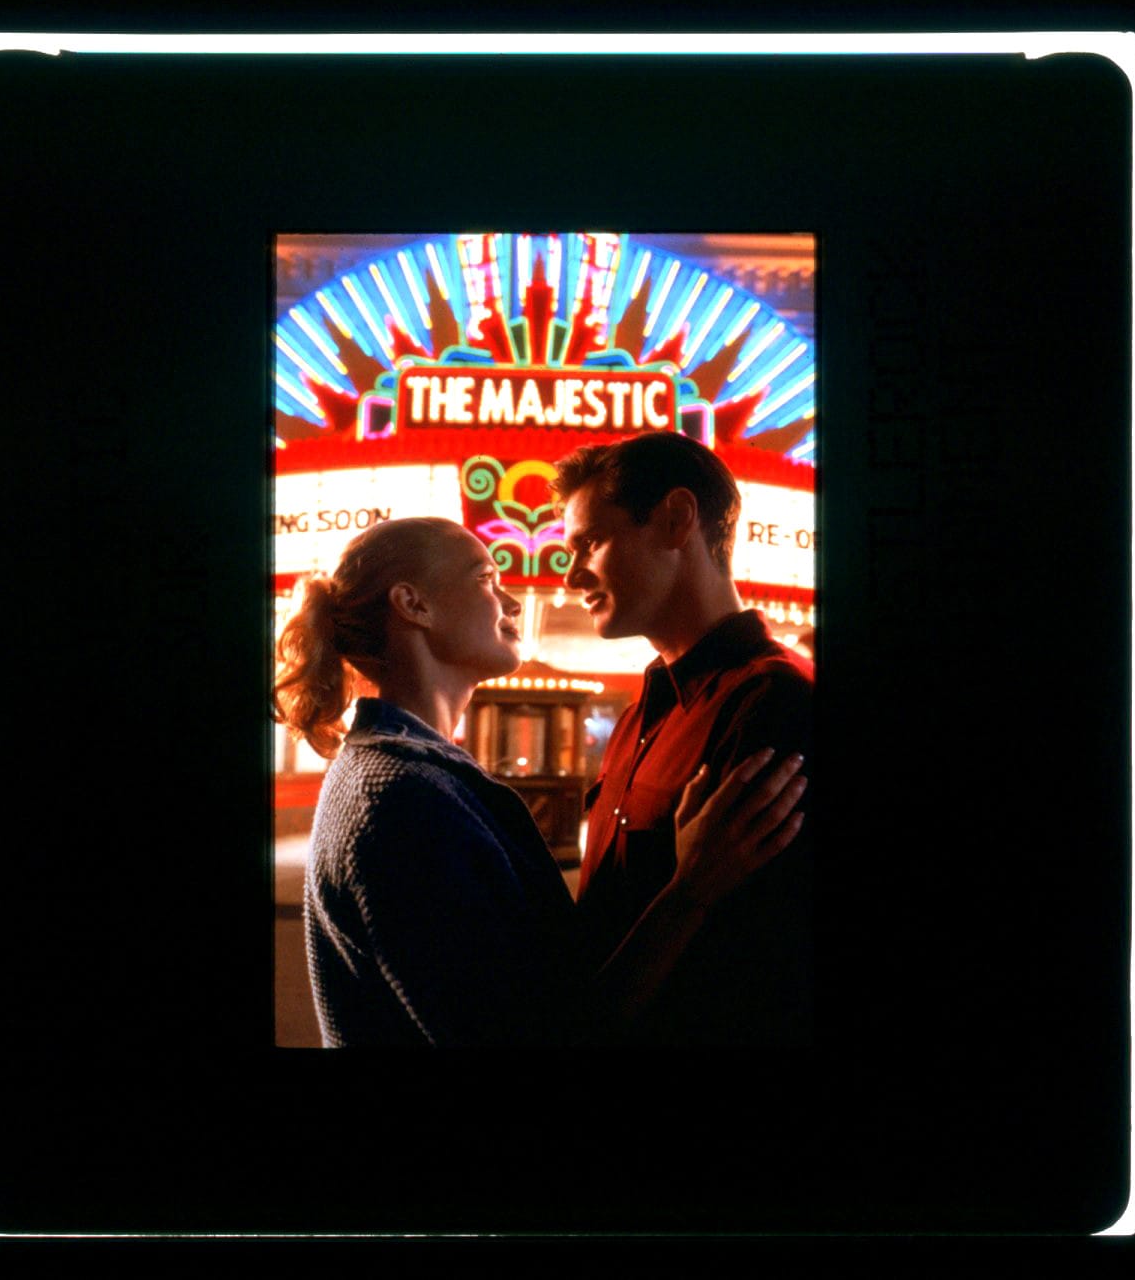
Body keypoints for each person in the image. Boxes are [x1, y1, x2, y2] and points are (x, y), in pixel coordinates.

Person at [273, 515, 806, 1047]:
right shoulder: (398, 799)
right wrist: (693, 887)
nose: (512, 603)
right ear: (414, 605)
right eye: (485, 579)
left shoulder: (407, 771)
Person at [553, 432, 815, 1046]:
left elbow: (764, 966)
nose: (570, 575)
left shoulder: (775, 700)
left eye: (589, 541)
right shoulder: (638, 714)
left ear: (675, 520)